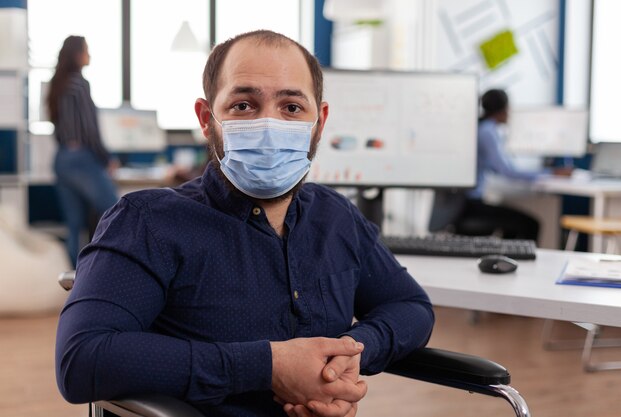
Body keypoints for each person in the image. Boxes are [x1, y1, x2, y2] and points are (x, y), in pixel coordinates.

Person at [55, 30, 435, 417]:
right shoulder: (147, 221)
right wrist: (269, 366)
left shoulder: (336, 216)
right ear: (207, 119)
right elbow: (83, 359)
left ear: (318, 122)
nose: (268, 124)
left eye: (291, 107)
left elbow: (410, 306)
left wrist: (348, 355)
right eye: (243, 105)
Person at [46, 35, 118, 267]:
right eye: (87, 50)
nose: (90, 55)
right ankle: (109, 270)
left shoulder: (57, 85)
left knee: (74, 225)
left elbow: (58, 130)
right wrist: (107, 159)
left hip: (62, 158)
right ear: (78, 54)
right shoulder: (79, 83)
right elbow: (89, 129)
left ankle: (75, 281)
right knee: (116, 212)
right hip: (82, 158)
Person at [443, 89, 543, 241]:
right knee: (530, 224)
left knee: (515, 225)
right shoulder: (487, 131)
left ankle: (509, 260)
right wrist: (547, 173)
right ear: (503, 110)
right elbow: (507, 171)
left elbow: (495, 167)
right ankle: (516, 259)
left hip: (465, 203)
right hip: (470, 205)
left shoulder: (482, 127)